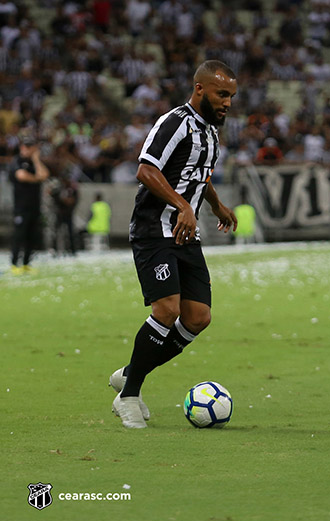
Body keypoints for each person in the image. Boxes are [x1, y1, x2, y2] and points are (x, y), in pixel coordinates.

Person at [109, 60, 239, 428]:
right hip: (154, 230)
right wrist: (183, 205)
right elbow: (146, 169)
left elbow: (197, 175)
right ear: (200, 89)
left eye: (231, 96)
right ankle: (129, 395)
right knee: (166, 310)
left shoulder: (211, 133)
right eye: (221, 94)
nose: (228, 102)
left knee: (198, 318)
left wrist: (215, 204)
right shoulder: (174, 123)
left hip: (185, 234)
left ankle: (130, 372)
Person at [10, 139, 50, 274]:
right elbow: (21, 176)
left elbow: (44, 175)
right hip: (21, 207)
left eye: (31, 147)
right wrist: (37, 178)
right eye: (26, 146)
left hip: (35, 206)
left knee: (31, 237)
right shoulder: (17, 161)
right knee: (19, 236)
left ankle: (26, 264)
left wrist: (37, 160)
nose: (28, 149)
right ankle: (14, 264)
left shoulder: (34, 163)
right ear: (21, 147)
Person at [50, 175, 79, 256]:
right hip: (59, 214)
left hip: (68, 214)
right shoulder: (58, 190)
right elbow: (52, 195)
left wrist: (65, 200)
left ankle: (72, 250)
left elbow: (73, 201)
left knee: (70, 233)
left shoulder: (72, 190)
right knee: (56, 232)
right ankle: (54, 249)